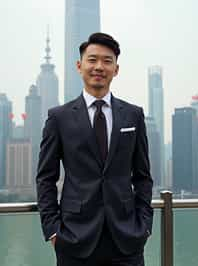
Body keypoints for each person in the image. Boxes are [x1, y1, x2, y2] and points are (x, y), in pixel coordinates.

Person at [36, 32, 153, 266]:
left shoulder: (133, 115)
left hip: (127, 240)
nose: (99, 66)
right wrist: (53, 231)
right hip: (74, 240)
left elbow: (143, 176)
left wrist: (145, 226)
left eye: (107, 61)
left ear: (116, 69)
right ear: (79, 66)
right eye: (92, 60)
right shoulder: (58, 118)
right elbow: (45, 178)